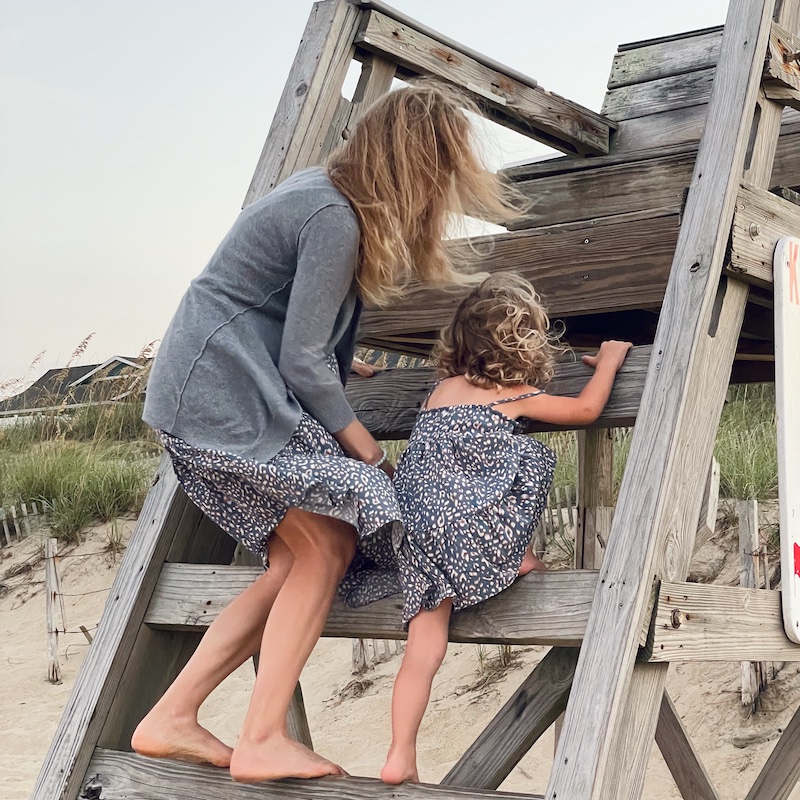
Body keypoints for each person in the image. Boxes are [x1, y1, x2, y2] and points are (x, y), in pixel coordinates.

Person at [130, 81, 520, 784]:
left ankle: (174, 715)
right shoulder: (333, 217)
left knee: (302, 556)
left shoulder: (320, 195)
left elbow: (288, 322)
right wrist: (366, 449)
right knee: (339, 528)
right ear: (415, 168)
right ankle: (261, 736)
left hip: (214, 388)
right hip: (225, 397)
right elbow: (300, 359)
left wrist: (341, 360)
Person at [380, 273, 632, 784]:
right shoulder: (509, 394)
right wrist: (608, 362)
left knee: (423, 648)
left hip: (414, 531)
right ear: (523, 345)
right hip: (468, 532)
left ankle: (399, 754)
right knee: (529, 457)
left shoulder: (437, 393)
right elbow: (584, 410)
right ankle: (513, 556)